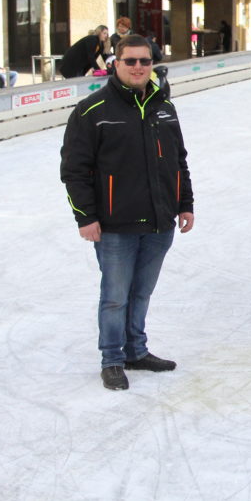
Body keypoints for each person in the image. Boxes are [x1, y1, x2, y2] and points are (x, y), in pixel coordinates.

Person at [60, 35, 194, 390]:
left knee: (141, 293)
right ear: (115, 64)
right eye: (130, 61)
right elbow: (74, 170)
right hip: (115, 226)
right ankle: (112, 359)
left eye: (144, 61)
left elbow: (178, 161)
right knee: (115, 296)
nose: (138, 67)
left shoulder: (164, 106)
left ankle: (136, 350)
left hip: (159, 222)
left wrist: (185, 204)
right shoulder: (92, 110)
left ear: (152, 64)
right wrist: (85, 217)